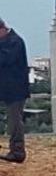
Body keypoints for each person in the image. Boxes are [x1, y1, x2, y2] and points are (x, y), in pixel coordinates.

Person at [0, 17, 30, 163]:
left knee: (14, 121)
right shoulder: (8, 42)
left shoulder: (14, 42)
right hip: (6, 88)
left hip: (15, 90)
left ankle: (17, 152)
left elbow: (4, 60)